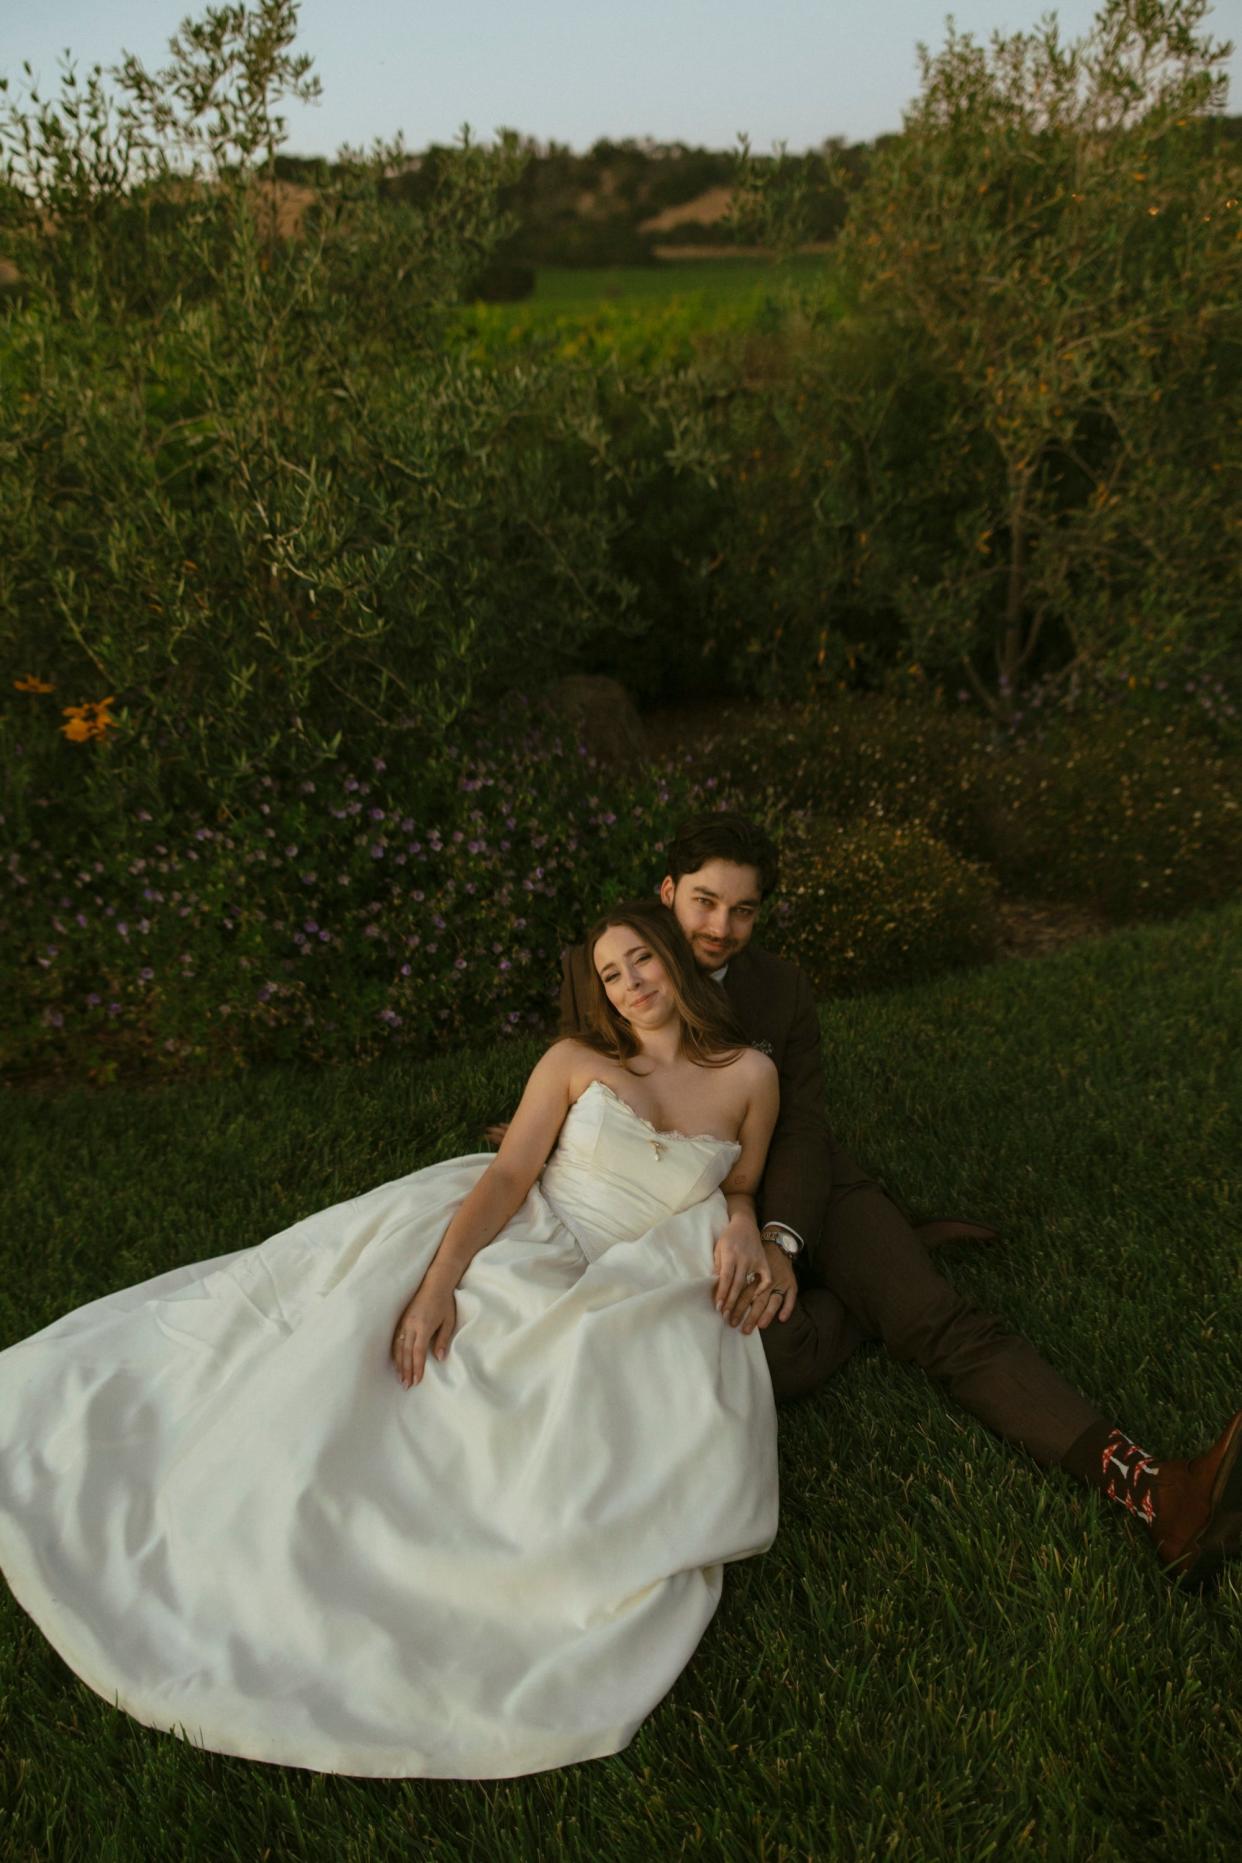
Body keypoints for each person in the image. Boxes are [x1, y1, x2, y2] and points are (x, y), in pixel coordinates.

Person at [0, 902, 781, 1780]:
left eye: (642, 959)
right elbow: (511, 1172)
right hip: (530, 1234)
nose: (633, 983)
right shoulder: (576, 1061)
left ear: (672, 959)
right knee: (427, 1370)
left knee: (591, 1411)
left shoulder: (751, 1074)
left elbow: (742, 1179)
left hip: (636, 1275)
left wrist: (747, 1221)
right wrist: (438, 1282)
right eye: (611, 973)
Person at [554, 812, 1242, 1590]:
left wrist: (781, 1240)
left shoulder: (779, 988)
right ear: (668, 891)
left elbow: (805, 1126)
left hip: (801, 1186)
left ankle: (1159, 1491)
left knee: (932, 1321)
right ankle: (888, 1262)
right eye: (706, 902)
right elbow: (583, 1084)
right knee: (770, 1362)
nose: (723, 927)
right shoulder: (614, 968)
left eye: (745, 909)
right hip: (684, 1221)